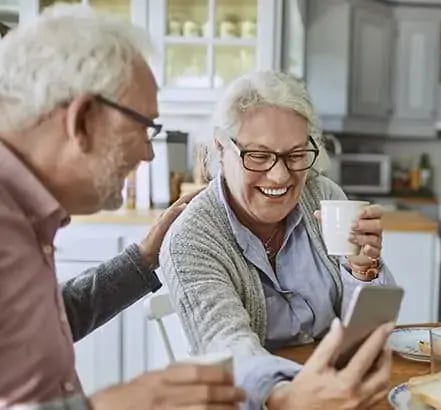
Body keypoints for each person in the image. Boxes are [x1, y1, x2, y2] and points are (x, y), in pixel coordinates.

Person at [0, 4, 247, 409]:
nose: (150, 154)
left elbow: (37, 324)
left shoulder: (25, 212)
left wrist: (144, 258)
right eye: (144, 127)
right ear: (82, 120)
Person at [159, 70, 398, 409]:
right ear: (221, 148)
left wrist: (362, 271)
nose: (281, 175)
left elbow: (366, 332)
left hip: (338, 391)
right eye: (259, 155)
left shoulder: (324, 196)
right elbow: (227, 346)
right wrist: (288, 397)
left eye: (295, 155)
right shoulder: (191, 240)